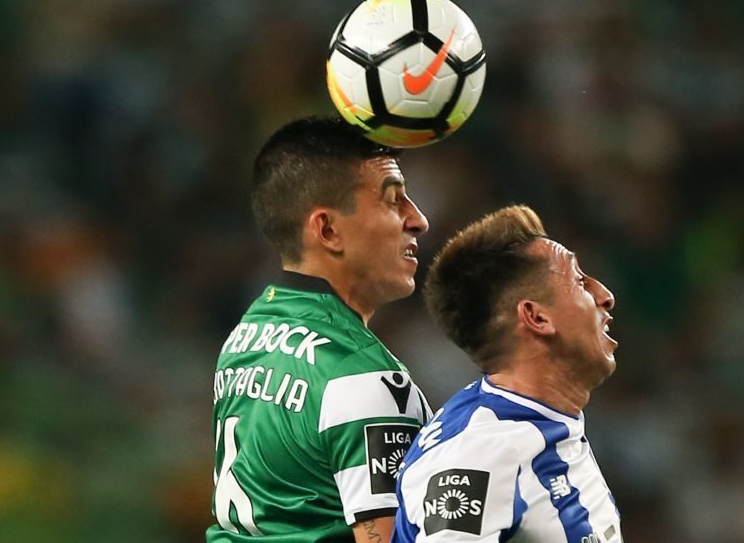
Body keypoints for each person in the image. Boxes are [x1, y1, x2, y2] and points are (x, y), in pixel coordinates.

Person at [208, 115, 433, 543]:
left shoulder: (248, 333)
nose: (417, 219)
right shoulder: (363, 377)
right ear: (327, 229)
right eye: (393, 200)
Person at [393, 204, 623, 542]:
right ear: (537, 318)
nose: (605, 296)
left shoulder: (549, 422)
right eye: (579, 281)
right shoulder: (481, 452)